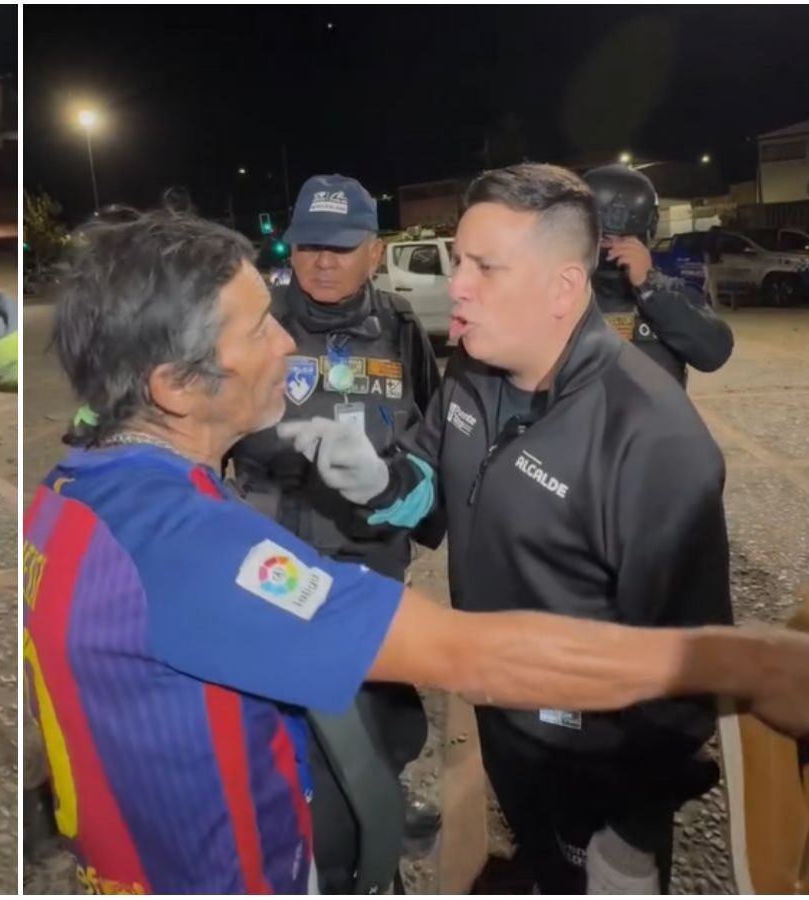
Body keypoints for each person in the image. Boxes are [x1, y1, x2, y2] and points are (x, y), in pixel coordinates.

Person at [22, 209, 809, 895]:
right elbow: (467, 654)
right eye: (260, 327)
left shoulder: (73, 492)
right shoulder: (193, 550)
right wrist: (746, 664)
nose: (287, 339)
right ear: (177, 385)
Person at [278, 164, 739, 892]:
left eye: (485, 267)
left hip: (595, 761)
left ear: (562, 287)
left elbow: (689, 663)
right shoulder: (472, 369)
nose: (457, 285)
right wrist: (380, 481)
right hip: (504, 719)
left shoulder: (652, 438)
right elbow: (427, 475)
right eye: (460, 261)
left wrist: (633, 827)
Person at [227, 174, 443, 889]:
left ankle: (380, 809)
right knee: (277, 714)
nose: (322, 262)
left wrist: (402, 494)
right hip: (272, 557)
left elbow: (429, 444)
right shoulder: (253, 322)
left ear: (375, 252)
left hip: (367, 561)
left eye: (342, 247)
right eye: (309, 245)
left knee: (376, 707)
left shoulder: (400, 328)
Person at [583, 163, 733, 385]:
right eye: (604, 239)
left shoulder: (671, 291)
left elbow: (713, 353)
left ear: (645, 235)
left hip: (656, 407)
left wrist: (650, 289)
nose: (615, 249)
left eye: (626, 239)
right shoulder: (561, 293)